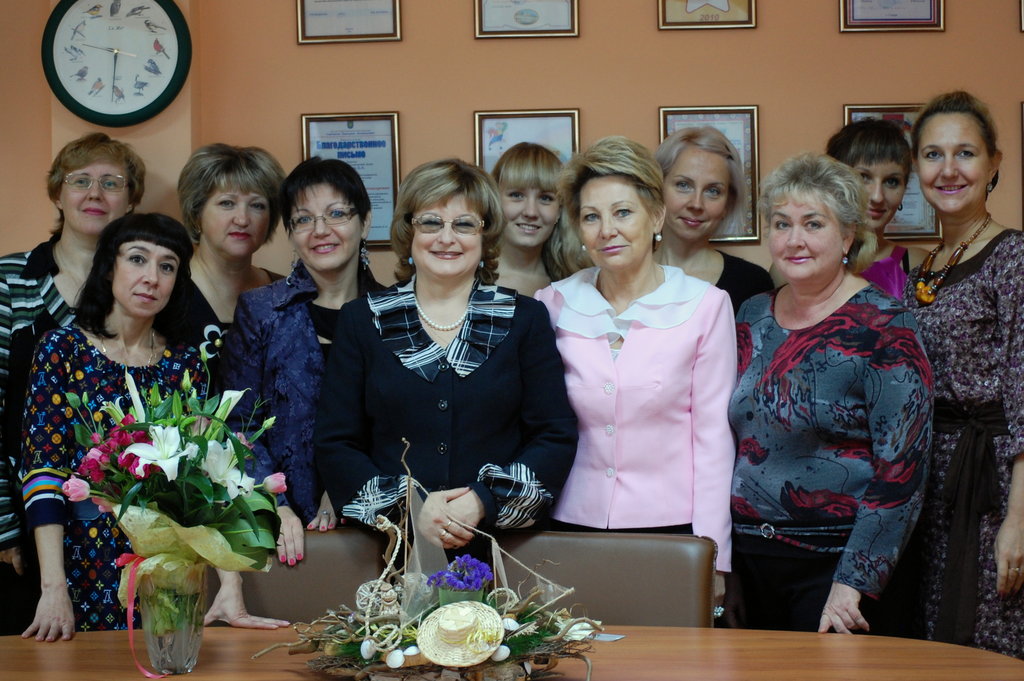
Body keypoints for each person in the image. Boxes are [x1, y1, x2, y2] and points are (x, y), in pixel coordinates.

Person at [314, 158, 577, 554]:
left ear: (486, 235)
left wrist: (482, 502)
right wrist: (411, 509)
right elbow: (336, 443)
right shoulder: (361, 320)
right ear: (409, 231)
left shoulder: (525, 319)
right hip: (393, 548)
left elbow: (554, 436)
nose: (446, 238)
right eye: (431, 222)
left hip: (503, 549)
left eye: (464, 224)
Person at [730, 153, 932, 634]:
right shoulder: (751, 314)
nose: (794, 239)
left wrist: (854, 581)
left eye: (813, 224)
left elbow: (902, 469)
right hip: (751, 559)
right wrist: (725, 566)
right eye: (781, 224)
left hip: (837, 566)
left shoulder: (886, 325)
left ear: (847, 236)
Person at [534, 136, 736, 606]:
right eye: (591, 217)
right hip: (568, 524)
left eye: (623, 212)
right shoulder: (552, 304)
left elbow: (713, 440)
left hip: (673, 531)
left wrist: (714, 554)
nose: (607, 230)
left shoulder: (705, 306)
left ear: (656, 217)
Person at [19, 213, 201, 639]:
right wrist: (53, 588)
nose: (151, 277)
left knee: (168, 659)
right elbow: (43, 471)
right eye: (137, 259)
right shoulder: (62, 349)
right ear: (108, 268)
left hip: (164, 561)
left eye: (167, 266)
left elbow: (200, 480)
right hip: (78, 557)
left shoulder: (186, 364)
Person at [0, 133, 145, 635]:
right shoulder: (11, 280)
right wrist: (6, 526)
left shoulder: (143, 287)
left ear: (131, 200)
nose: (94, 193)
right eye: (80, 180)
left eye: (112, 182)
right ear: (58, 194)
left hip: (121, 529)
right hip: (24, 521)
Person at [904, 91, 1024, 657]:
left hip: (994, 485)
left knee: (990, 639)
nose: (948, 169)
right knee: (933, 645)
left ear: (994, 162)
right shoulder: (924, 270)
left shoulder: (1013, 258)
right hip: (934, 484)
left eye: (965, 153)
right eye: (933, 154)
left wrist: (1018, 520)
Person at [220, 157, 383, 567]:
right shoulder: (261, 311)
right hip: (282, 527)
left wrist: (349, 489)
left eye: (337, 214)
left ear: (365, 223)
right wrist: (273, 503)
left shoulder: (395, 312)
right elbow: (238, 424)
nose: (320, 230)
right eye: (304, 219)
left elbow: (406, 425)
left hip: (381, 521)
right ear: (291, 234)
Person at [176, 143, 285, 378]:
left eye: (257, 205)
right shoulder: (167, 292)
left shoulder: (286, 295)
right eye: (227, 203)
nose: (242, 219)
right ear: (196, 214)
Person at [654, 127, 772, 314]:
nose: (696, 204)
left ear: (727, 203)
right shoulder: (624, 273)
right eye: (683, 185)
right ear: (658, 189)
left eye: (713, 191)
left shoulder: (753, 283)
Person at [826, 118, 924, 297]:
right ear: (833, 182)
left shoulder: (920, 265)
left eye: (892, 181)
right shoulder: (800, 262)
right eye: (863, 177)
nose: (877, 196)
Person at [491, 142, 587, 295]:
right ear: (495, 200)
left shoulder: (580, 282)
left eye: (545, 198)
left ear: (560, 209)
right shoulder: (467, 278)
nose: (531, 212)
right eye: (517, 195)